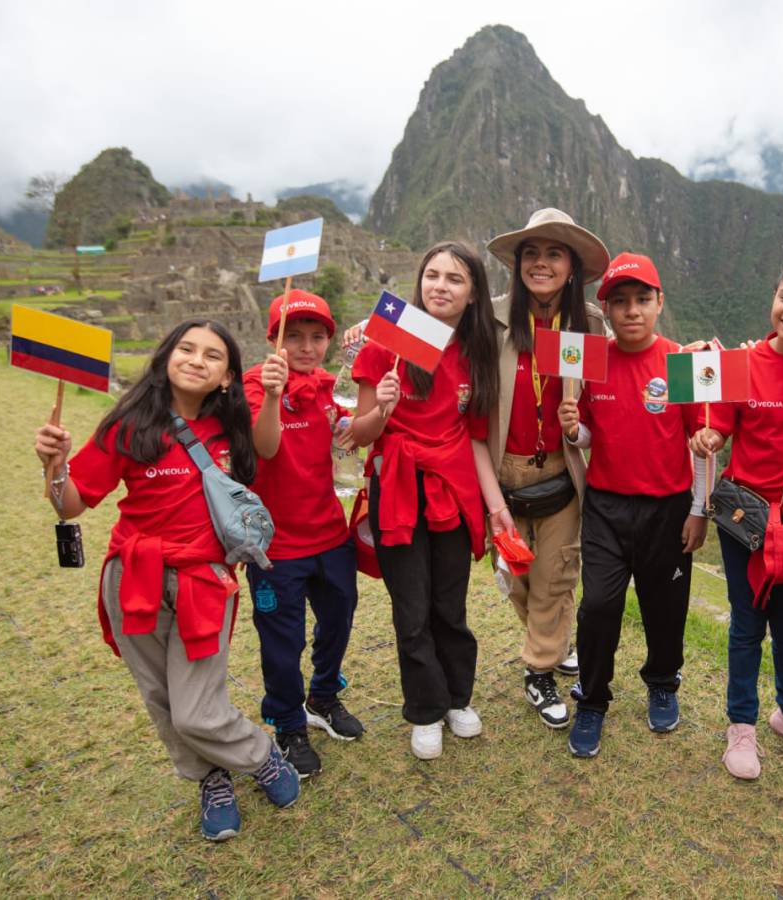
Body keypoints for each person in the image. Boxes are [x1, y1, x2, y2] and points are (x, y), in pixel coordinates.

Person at [33, 320, 300, 842]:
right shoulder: (128, 427)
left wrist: (272, 395)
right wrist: (55, 466)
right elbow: (71, 504)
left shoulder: (230, 427)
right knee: (161, 697)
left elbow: (266, 451)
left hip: (206, 580)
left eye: (213, 355)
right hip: (133, 577)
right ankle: (210, 779)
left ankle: (261, 754)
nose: (198, 360)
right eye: (187, 348)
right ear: (166, 357)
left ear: (227, 376)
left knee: (197, 708)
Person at [350, 241, 511, 761]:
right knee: (411, 607)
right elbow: (357, 431)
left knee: (450, 603)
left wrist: (495, 507)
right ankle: (424, 707)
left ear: (472, 295)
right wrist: (384, 409)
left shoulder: (477, 354)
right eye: (432, 275)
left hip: (451, 490)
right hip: (396, 485)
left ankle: (457, 697)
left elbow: (476, 436)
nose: (440, 286)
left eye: (455, 279)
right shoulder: (387, 343)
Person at [692, 257, 783, 779]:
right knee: (746, 622)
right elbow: (719, 428)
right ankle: (741, 724)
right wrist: (708, 437)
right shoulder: (744, 361)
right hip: (746, 518)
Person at [557, 252, 708, 758]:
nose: (632, 311)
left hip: (668, 509)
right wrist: (571, 426)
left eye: (642, 299)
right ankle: (592, 700)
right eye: (619, 302)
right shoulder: (590, 359)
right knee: (599, 606)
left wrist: (699, 510)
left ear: (660, 302)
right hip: (605, 507)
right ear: (606, 310)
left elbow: (703, 443)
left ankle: (663, 681)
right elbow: (586, 436)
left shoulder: (683, 364)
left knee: (666, 607)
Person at [486, 208, 610, 729]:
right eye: (531, 253)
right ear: (517, 265)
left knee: (555, 578)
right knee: (518, 580)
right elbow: (431, 329)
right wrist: (376, 326)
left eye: (554, 253)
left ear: (572, 265)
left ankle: (538, 669)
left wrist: (693, 358)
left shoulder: (590, 325)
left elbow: (630, 379)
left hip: (563, 474)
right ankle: (554, 641)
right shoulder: (489, 319)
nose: (541, 263)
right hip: (502, 475)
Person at [242, 290, 365, 779]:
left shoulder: (332, 389)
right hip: (275, 546)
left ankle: (324, 695)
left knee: (338, 620)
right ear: (272, 339)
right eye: (294, 336)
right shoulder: (254, 385)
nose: (306, 347)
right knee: (281, 640)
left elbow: (361, 429)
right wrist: (274, 394)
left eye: (317, 337)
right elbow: (264, 447)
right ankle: (288, 723)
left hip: (330, 534)